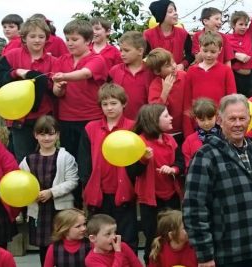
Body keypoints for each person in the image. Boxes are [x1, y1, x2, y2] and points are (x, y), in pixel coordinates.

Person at [185, 94, 252, 267]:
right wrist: (205, 255)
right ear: (219, 120)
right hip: (226, 255)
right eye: (232, 119)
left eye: (242, 118)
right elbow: (194, 209)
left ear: (250, 119)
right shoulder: (206, 156)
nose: (238, 124)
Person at [82, 84, 139, 250]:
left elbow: (137, 162)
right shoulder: (90, 128)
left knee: (127, 241)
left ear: (123, 103)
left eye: (113, 103)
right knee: (98, 242)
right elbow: (84, 161)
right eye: (105, 104)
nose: (109, 108)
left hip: (124, 194)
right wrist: (87, 183)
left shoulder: (133, 127)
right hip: (98, 195)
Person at [0, 17, 57, 161]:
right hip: (19, 119)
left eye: (41, 37)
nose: (37, 40)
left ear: (46, 39)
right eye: (32, 36)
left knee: (45, 157)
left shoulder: (54, 61)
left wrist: (51, 84)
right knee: (23, 159)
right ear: (24, 38)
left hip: (44, 117)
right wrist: (16, 72)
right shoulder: (11, 57)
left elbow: (55, 91)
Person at [19, 116, 79, 263]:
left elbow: (73, 181)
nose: (47, 138)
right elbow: (22, 184)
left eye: (51, 134)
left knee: (62, 244)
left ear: (57, 135)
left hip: (60, 210)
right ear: (35, 135)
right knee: (44, 248)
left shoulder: (66, 158)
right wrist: (31, 195)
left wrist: (51, 192)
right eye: (42, 134)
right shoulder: (28, 160)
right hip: (39, 211)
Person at [52, 19, 109, 166]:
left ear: (88, 41)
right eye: (67, 39)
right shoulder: (61, 60)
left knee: (88, 161)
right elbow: (56, 91)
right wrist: (59, 88)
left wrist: (64, 76)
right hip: (66, 119)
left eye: (75, 39)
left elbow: (85, 73)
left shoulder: (97, 59)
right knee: (69, 162)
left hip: (91, 118)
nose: (69, 43)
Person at [132, 104, 184, 261]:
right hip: (150, 201)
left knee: (172, 237)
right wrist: (143, 160)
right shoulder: (139, 142)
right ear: (154, 121)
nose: (171, 118)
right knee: (153, 238)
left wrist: (173, 169)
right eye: (166, 116)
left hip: (171, 197)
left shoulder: (171, 140)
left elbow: (181, 162)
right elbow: (132, 172)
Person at [146, 48, 192, 140]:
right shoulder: (156, 85)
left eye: (173, 62)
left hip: (187, 129)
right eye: (168, 65)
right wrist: (165, 92)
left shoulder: (183, 75)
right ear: (157, 71)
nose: (174, 66)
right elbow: (155, 112)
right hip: (167, 133)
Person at [108, 31, 153, 120]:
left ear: (140, 51)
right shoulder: (115, 70)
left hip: (144, 122)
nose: (122, 54)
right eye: (121, 50)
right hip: (119, 123)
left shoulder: (151, 71)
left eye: (126, 50)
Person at [189, 31, 238, 109]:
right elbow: (187, 98)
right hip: (197, 116)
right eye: (205, 51)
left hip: (219, 117)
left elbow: (232, 97)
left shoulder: (226, 71)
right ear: (199, 47)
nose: (208, 55)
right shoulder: (192, 71)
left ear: (220, 50)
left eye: (213, 52)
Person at [228, 0, 252, 97]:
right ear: (233, 25)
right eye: (240, 24)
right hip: (236, 77)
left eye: (245, 24)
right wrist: (235, 54)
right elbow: (221, 50)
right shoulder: (227, 38)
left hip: (251, 76)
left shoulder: (248, 33)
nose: (244, 27)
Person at [144, 0, 194, 68]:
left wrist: (182, 65)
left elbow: (190, 54)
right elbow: (142, 55)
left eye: (175, 10)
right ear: (161, 14)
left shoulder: (183, 33)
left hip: (177, 73)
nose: (175, 13)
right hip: (155, 74)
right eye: (170, 11)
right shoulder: (148, 35)